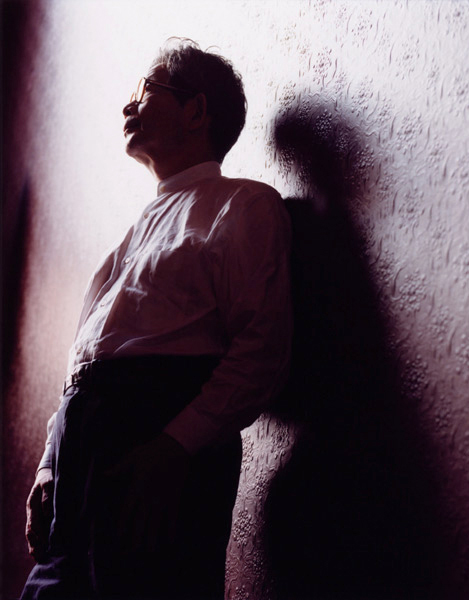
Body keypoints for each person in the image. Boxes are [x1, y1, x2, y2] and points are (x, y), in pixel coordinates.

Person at [21, 37, 292, 600]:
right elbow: (84, 363)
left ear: (195, 111)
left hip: (156, 446)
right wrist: (50, 465)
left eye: (146, 90)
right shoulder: (132, 234)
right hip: (80, 452)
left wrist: (174, 446)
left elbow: (261, 350)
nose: (129, 104)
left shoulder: (243, 205)